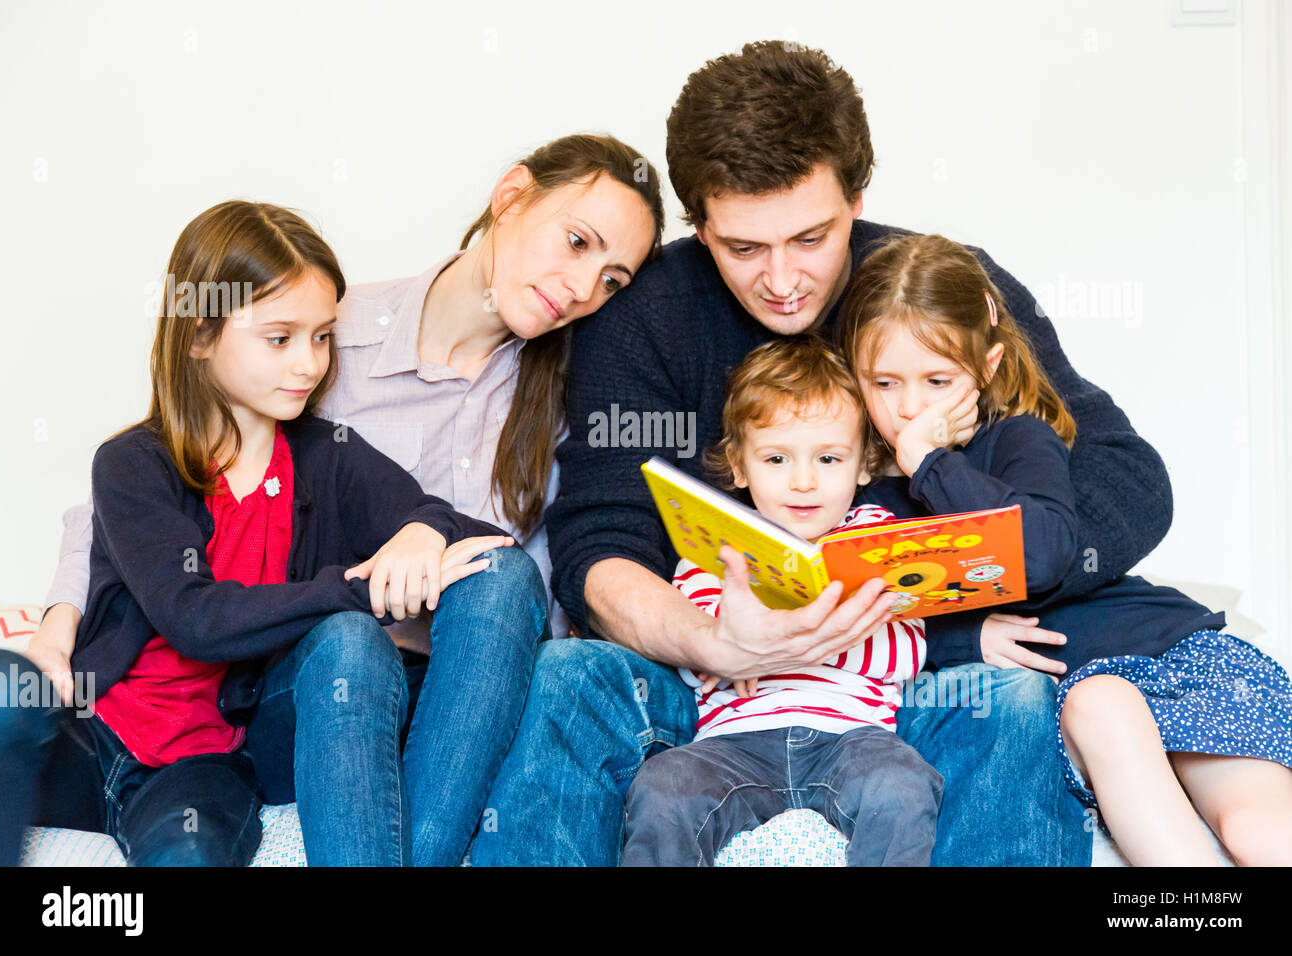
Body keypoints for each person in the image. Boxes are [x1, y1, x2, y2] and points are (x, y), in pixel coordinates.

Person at [469, 41, 1170, 867]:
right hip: (708, 682)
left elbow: (1126, 480)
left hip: (906, 678)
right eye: (743, 248)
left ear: (858, 200)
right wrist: (710, 643)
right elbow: (599, 540)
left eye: (811, 237)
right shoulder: (646, 314)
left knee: (1011, 697)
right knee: (567, 674)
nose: (782, 280)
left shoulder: (933, 289)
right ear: (698, 224)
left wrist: (944, 593)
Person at [29, 134, 664, 866]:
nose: (583, 288)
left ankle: (421, 850)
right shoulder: (322, 329)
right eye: (577, 241)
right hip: (317, 678)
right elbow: (138, 488)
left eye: (612, 279)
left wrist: (423, 532)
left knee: (506, 571)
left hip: (467, 697)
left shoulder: (575, 389)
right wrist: (57, 626)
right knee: (348, 643)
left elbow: (504, 562)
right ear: (511, 196)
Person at [0, 200, 509, 866]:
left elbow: (459, 526)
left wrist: (421, 530)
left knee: (191, 854)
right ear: (200, 336)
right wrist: (364, 589)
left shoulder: (330, 455)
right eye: (280, 338)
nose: (308, 364)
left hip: (199, 768)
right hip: (93, 733)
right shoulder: (133, 463)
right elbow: (194, 618)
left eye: (322, 336)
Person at [842, 231, 1292, 867]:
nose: (910, 407)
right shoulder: (864, 503)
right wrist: (964, 642)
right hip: (1085, 706)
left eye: (936, 380)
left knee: (1254, 832)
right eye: (885, 383)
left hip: (1157, 651)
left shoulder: (1020, 441)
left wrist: (931, 463)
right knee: (1098, 702)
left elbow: (1046, 551)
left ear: (987, 369)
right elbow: (866, 628)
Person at [620, 336, 942, 866]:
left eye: (828, 458)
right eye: (776, 458)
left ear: (864, 465)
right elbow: (698, 663)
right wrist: (833, 631)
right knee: (663, 784)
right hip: (734, 745)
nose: (803, 480)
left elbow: (904, 654)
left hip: (852, 741)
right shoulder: (714, 549)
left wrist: (770, 646)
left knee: (903, 784)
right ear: (740, 466)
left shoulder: (877, 538)